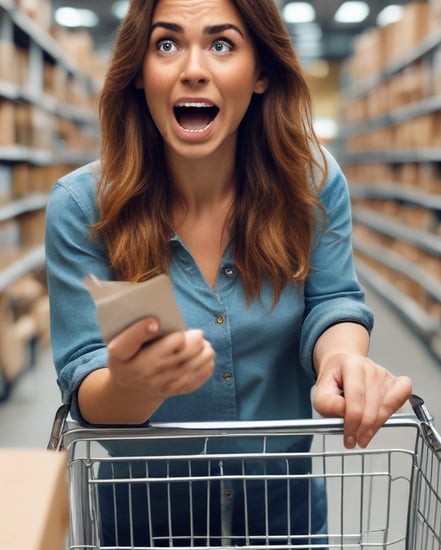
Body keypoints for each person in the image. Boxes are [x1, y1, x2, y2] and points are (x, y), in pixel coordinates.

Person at [45, 0, 413, 546]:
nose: (193, 68)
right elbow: (85, 382)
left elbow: (333, 301)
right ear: (140, 75)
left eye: (222, 44)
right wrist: (132, 384)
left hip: (281, 515)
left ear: (260, 72)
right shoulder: (84, 208)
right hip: (146, 521)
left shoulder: (310, 183)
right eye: (166, 44)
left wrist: (342, 360)